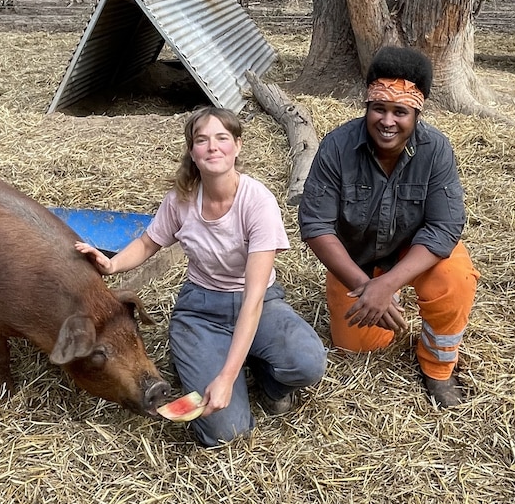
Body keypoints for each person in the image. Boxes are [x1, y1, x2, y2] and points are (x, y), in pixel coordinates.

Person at [76, 106, 327, 446]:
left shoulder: (258, 202)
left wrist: (225, 377)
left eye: (222, 138)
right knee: (225, 432)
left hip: (260, 304)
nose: (212, 147)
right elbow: (149, 242)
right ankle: (208, 357)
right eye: (202, 140)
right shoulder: (181, 200)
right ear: (192, 152)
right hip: (203, 310)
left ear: (237, 146)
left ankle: (266, 380)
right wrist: (112, 264)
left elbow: (253, 299)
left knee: (308, 362)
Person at [297, 46, 480, 407]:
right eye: (379, 108)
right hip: (358, 260)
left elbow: (445, 225)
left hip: (412, 253)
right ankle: (379, 300)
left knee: (455, 278)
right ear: (367, 106)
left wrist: (389, 284)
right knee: (357, 347)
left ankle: (437, 368)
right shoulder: (336, 146)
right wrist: (366, 287)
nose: (388, 120)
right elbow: (316, 224)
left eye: (401, 111)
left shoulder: (436, 150)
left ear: (417, 113)